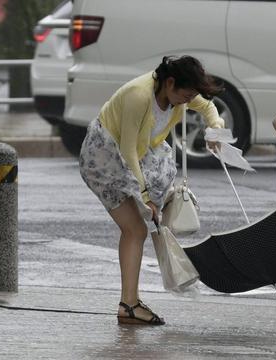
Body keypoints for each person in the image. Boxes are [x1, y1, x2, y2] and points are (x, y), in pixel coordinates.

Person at [79, 55, 225, 325]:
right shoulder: (139, 96)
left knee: (138, 229)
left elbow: (208, 108)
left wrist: (215, 129)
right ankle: (129, 304)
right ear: (170, 82)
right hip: (103, 157)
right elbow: (128, 152)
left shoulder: (178, 92)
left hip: (137, 154)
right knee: (136, 228)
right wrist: (145, 198)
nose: (188, 100)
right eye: (186, 94)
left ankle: (129, 304)